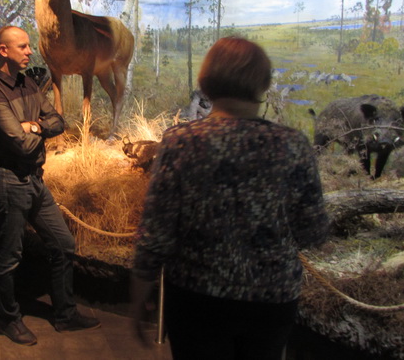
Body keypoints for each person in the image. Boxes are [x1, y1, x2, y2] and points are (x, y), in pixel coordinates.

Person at [130, 37, 330, 360]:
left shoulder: (181, 142)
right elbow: (314, 232)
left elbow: (155, 232)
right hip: (271, 301)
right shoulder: (292, 144)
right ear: (263, 83)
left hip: (197, 300)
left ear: (206, 82)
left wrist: (139, 297)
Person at [0, 26, 100, 345]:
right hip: (8, 178)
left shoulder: (29, 83)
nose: (30, 51)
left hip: (34, 179)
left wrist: (32, 125)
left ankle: (65, 314)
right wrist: (36, 132)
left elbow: (59, 121)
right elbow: (20, 146)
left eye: (29, 46)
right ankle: (9, 318)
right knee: (10, 255)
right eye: (22, 46)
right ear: (3, 51)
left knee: (63, 244)